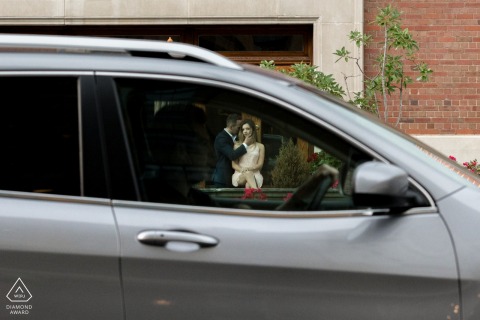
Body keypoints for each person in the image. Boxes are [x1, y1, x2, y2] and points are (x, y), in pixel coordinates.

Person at [145, 104, 216, 206]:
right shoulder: (160, 207)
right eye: (204, 144)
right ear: (181, 151)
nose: (211, 152)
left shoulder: (199, 199)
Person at [212, 114, 253, 187]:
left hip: (236, 179)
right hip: (223, 179)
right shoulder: (221, 138)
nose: (240, 130)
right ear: (231, 127)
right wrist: (245, 144)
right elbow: (232, 155)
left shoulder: (237, 137)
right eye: (238, 127)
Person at [232, 119, 265, 189]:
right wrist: (243, 170)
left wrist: (249, 168)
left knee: (248, 185)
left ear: (253, 130)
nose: (245, 131)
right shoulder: (237, 146)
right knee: (248, 174)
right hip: (240, 174)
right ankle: (259, 194)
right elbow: (234, 165)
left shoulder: (260, 146)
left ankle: (250, 198)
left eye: (247, 129)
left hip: (255, 174)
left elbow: (260, 165)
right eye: (243, 129)